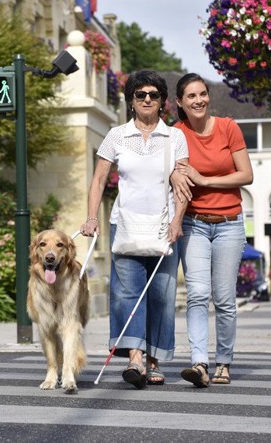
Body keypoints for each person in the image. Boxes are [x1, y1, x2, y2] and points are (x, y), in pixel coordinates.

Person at [80, 70, 188, 388]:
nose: (147, 100)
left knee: (161, 295)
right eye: (140, 95)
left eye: (153, 95)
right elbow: (99, 179)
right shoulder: (116, 136)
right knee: (127, 293)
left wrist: (178, 221)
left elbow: (182, 186)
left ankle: (154, 361)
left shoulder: (175, 138)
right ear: (131, 100)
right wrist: (91, 218)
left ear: (162, 101)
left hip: (163, 228)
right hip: (124, 224)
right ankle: (135, 359)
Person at [171, 73, 253, 387]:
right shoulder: (176, 134)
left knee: (223, 298)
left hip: (229, 224)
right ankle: (199, 363)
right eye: (191, 96)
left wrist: (205, 181)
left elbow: (245, 175)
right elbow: (173, 175)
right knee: (197, 295)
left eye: (202, 94)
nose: (199, 100)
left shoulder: (228, 127)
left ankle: (224, 361)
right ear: (180, 102)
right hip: (194, 223)